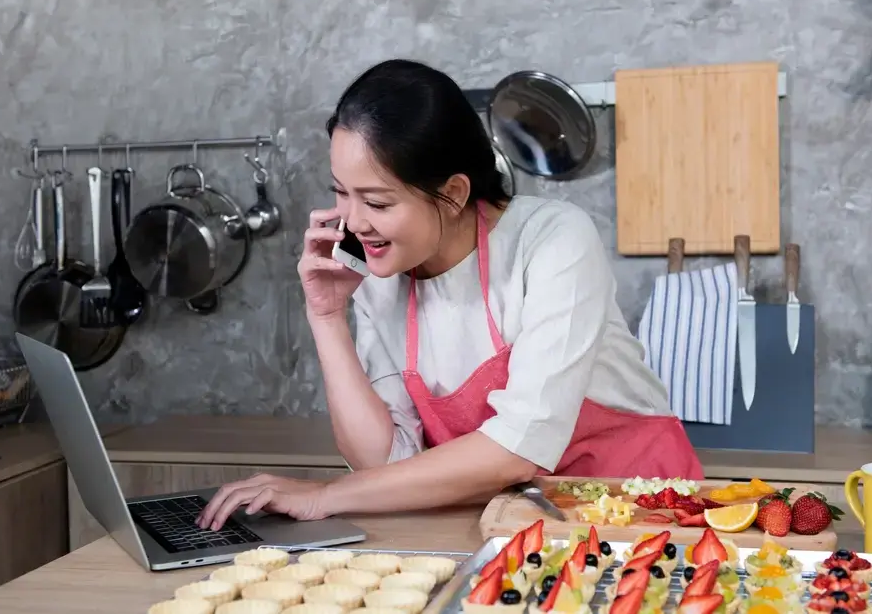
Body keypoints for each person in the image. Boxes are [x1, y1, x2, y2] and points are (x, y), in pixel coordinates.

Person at [196, 59, 702, 532]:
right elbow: (385, 462)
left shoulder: (552, 240)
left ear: (455, 193)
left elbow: (518, 447)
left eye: (375, 200)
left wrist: (326, 496)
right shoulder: (381, 274)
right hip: (510, 518)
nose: (351, 221)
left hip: (639, 510)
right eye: (340, 192)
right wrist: (326, 316)